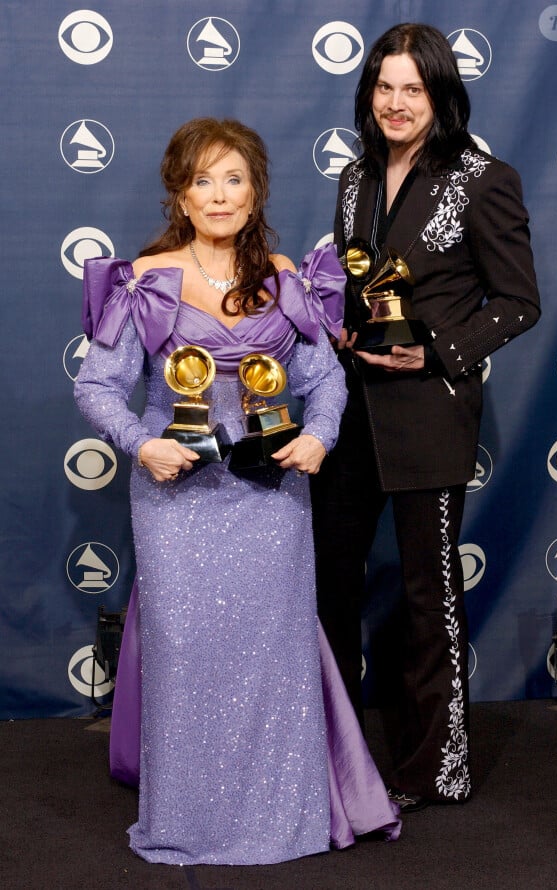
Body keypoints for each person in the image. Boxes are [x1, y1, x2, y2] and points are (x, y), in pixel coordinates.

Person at [74, 118, 400, 866]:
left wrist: (318, 437)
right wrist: (142, 443)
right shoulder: (144, 282)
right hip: (177, 502)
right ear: (179, 196)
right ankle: (190, 821)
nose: (217, 195)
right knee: (186, 655)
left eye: (233, 178)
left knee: (271, 654)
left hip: (268, 497)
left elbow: (324, 384)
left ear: (255, 191)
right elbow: (98, 386)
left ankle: (281, 821)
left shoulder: (287, 279)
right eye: (201, 180)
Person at [310, 24, 541, 813]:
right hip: (345, 419)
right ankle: (332, 752)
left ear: (441, 94)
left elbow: (519, 302)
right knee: (329, 588)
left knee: (424, 599)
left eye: (413, 88)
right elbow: (357, 282)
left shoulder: (485, 178)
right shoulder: (353, 179)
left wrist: (438, 351)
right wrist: (339, 324)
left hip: (428, 417)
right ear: (367, 94)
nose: (396, 103)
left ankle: (431, 769)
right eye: (384, 88)